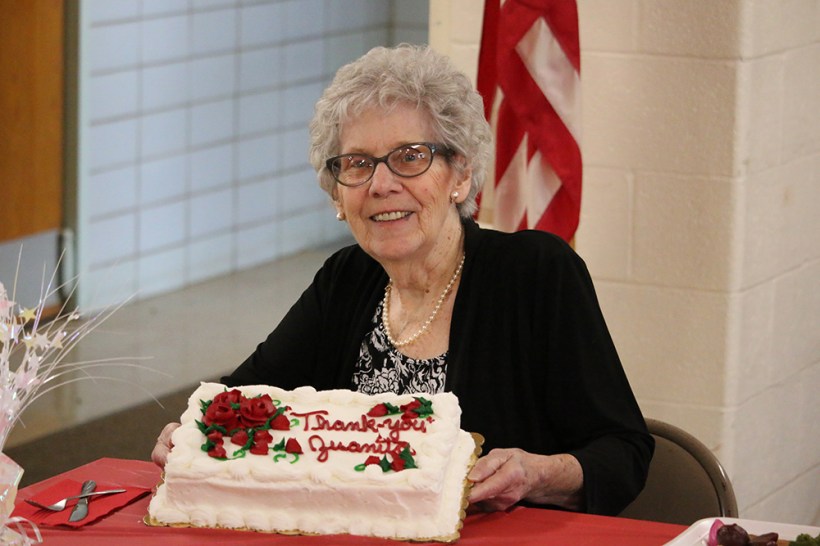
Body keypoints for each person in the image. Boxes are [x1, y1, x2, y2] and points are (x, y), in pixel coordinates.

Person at [152, 44, 653, 516]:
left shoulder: (535, 272)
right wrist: (194, 430)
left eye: (410, 156)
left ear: (459, 174)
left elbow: (623, 452)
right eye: (357, 164)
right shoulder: (346, 279)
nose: (381, 183)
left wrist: (539, 473)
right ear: (337, 194)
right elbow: (241, 401)